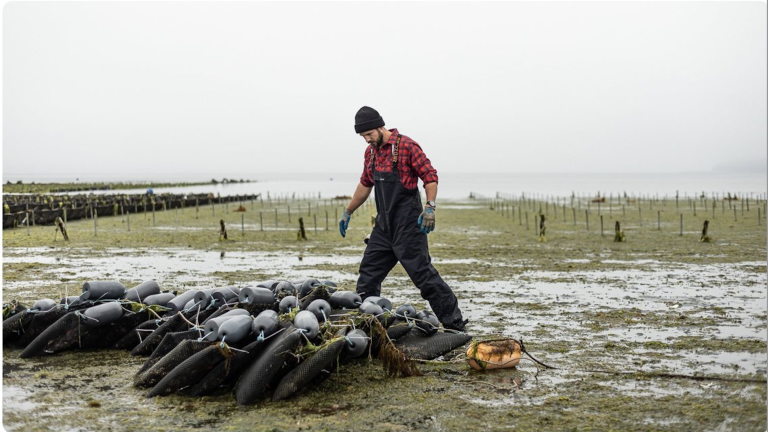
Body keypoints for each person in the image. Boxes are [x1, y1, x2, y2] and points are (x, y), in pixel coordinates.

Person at [338, 106, 467, 332]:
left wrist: (430, 207)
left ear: (380, 127)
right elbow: (366, 183)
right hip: (383, 227)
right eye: (363, 136)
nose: (367, 139)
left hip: (408, 227)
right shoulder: (371, 153)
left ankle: (454, 324)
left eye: (369, 134)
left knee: (424, 276)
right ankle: (368, 323)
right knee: (368, 275)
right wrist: (348, 210)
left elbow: (430, 176)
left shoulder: (407, 146)